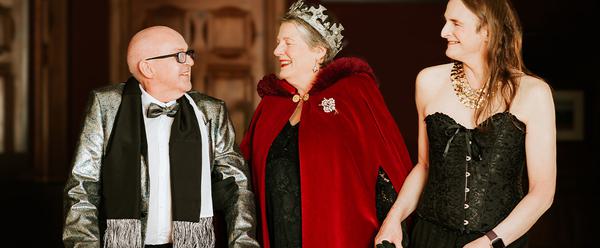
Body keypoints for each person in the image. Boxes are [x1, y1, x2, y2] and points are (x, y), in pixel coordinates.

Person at [375, 0, 556, 247]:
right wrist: (393, 220)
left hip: (499, 240)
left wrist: (489, 242)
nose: (443, 31)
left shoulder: (533, 93)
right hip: (430, 237)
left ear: (487, 31)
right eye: (446, 21)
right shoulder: (428, 81)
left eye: (456, 23)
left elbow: (542, 192)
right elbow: (424, 166)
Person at [62, 26, 259, 248]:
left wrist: (243, 243)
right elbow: (82, 187)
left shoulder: (210, 111)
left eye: (189, 54)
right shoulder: (106, 106)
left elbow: (237, 187)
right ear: (148, 67)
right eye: (179, 56)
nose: (190, 63)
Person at [239, 1, 413, 247]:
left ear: (319, 51)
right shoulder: (271, 105)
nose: (277, 51)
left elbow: (385, 167)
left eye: (288, 43)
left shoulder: (353, 93)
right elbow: (243, 176)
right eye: (278, 42)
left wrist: (391, 225)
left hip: (340, 237)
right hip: (280, 237)